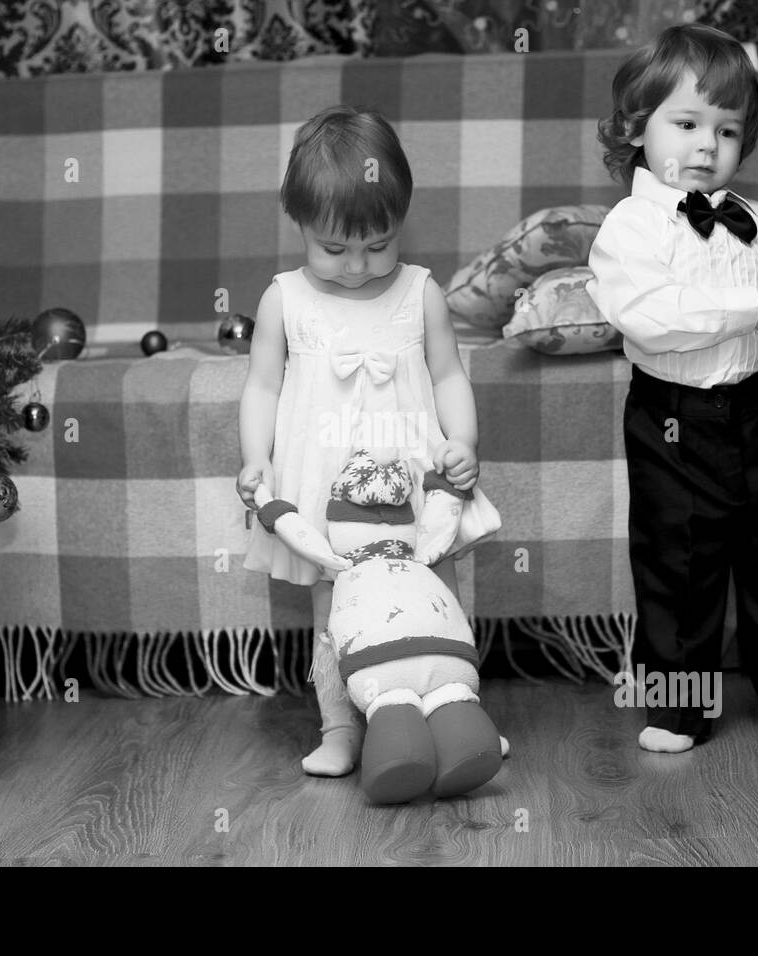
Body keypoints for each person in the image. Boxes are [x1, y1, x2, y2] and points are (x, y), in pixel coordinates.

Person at [586, 23, 758, 753]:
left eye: (728, 130)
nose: (708, 146)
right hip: (675, 418)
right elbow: (654, 319)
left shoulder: (754, 220)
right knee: (679, 565)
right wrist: (750, 310)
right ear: (638, 127)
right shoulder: (629, 228)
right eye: (688, 123)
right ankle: (675, 710)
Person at [237, 105, 502, 776]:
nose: (356, 265)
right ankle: (341, 727)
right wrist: (256, 459)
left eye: (377, 244)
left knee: (435, 592)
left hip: (416, 481)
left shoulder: (421, 292)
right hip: (325, 494)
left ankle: (453, 711)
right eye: (333, 248)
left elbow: (448, 374)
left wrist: (463, 441)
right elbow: (263, 387)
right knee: (335, 608)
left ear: (401, 222)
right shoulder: (284, 300)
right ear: (298, 221)